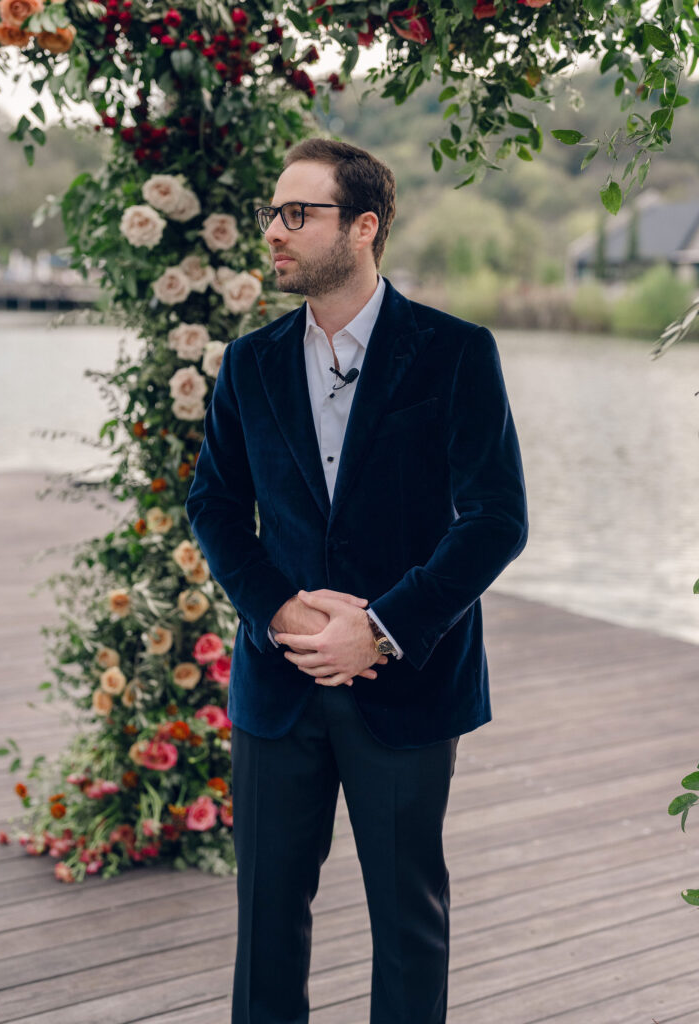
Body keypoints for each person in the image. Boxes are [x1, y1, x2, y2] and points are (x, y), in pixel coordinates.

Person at [186, 138, 528, 1024]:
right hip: (279, 682)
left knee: (409, 924)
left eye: (298, 213)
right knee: (266, 923)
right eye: (272, 212)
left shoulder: (456, 353)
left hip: (408, 683)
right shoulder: (249, 363)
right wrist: (281, 611)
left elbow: (496, 519)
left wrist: (380, 628)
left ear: (365, 226)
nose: (274, 231)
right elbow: (213, 506)